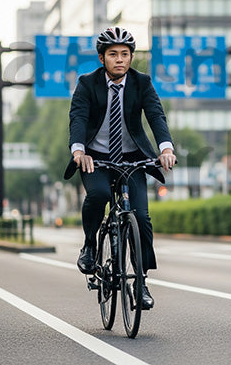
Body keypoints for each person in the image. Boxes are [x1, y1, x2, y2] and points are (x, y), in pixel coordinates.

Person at [64, 26, 176, 310]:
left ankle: (141, 283)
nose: (120, 60)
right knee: (99, 195)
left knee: (142, 218)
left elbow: (155, 114)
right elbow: (78, 117)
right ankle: (90, 245)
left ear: (131, 57)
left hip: (132, 157)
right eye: (113, 54)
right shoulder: (87, 84)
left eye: (125, 54)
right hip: (96, 158)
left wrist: (165, 147)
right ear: (102, 58)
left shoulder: (142, 83)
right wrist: (78, 151)